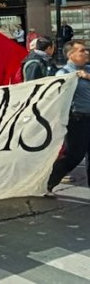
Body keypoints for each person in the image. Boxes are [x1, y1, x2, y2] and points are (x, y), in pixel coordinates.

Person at [46, 40, 90, 196]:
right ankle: (48, 183)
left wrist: (87, 76)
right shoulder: (64, 74)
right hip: (77, 119)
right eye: (82, 51)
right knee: (74, 155)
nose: (86, 53)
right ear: (71, 55)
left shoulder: (88, 70)